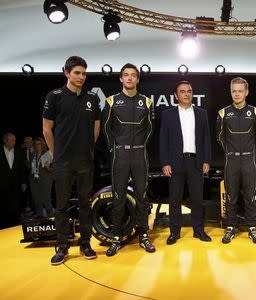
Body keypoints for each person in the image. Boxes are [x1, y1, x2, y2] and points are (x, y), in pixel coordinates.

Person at [42, 56, 100, 265]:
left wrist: (87, 148)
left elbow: (96, 127)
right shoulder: (54, 96)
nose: (81, 77)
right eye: (77, 72)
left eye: (84, 73)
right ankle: (63, 245)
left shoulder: (92, 98)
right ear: (66, 73)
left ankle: (86, 243)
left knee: (85, 204)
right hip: (63, 162)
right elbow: (46, 129)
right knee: (62, 206)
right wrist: (56, 153)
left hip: (85, 161)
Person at [102, 63, 155, 256]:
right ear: (121, 79)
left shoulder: (147, 102)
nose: (130, 78)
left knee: (142, 197)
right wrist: (113, 148)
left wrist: (140, 147)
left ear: (138, 79)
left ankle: (143, 235)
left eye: (133, 75)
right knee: (118, 197)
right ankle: (116, 237)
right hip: (120, 155)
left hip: (140, 155)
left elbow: (150, 130)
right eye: (126, 75)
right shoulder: (111, 101)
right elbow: (106, 129)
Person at [160, 81, 212, 245]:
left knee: (197, 199)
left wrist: (207, 160)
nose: (186, 94)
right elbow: (163, 139)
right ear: (176, 95)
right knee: (175, 199)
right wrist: (165, 162)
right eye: (182, 92)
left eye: (189, 91)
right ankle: (174, 232)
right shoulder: (168, 114)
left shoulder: (201, 113)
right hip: (175, 162)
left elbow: (206, 138)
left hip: (196, 161)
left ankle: (199, 231)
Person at [216, 77, 256, 244]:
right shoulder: (223, 113)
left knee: (250, 196)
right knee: (231, 197)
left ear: (246, 92)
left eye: (240, 91)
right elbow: (220, 138)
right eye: (234, 91)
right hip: (232, 161)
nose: (236, 94)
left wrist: (249, 153)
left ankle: (252, 228)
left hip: (249, 161)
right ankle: (230, 228)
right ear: (231, 92)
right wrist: (231, 153)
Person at [0, 133, 26, 229]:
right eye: (11, 140)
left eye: (14, 140)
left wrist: (23, 182)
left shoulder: (19, 152)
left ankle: (15, 226)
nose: (13, 142)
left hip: (16, 184)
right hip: (2, 185)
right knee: (3, 205)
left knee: (16, 206)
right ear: (5, 141)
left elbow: (22, 169)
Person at [29, 137, 54, 218]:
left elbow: (55, 168)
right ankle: (39, 217)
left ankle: (51, 217)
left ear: (43, 144)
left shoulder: (48, 154)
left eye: (39, 144)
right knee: (36, 200)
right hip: (34, 180)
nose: (37, 146)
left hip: (45, 179)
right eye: (35, 144)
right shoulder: (32, 154)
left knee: (46, 199)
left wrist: (48, 168)